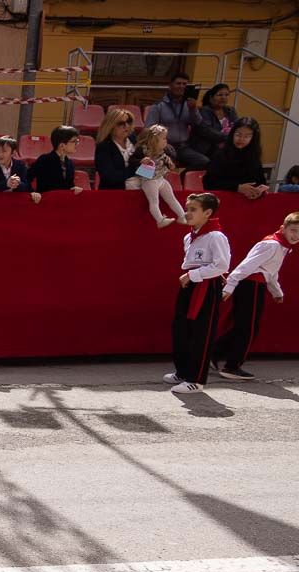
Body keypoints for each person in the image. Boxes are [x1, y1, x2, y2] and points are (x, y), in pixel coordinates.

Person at [213, 212, 299, 380]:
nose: (296, 235)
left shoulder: (282, 245)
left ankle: (213, 353)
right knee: (248, 328)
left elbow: (271, 272)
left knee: (244, 326)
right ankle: (232, 367)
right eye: (294, 230)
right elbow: (245, 266)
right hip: (250, 286)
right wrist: (229, 287)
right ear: (283, 228)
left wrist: (276, 291)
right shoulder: (272, 245)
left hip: (255, 286)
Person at [164, 192, 230, 394]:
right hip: (190, 283)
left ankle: (196, 379)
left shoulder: (215, 236)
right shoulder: (189, 236)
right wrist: (190, 277)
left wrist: (194, 275)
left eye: (193, 209)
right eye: (187, 208)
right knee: (181, 328)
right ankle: (183, 371)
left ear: (208, 213)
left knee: (201, 332)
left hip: (206, 286)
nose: (188, 213)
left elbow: (222, 265)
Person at [126, 124, 186, 229]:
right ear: (154, 140)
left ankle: (182, 216)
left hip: (160, 179)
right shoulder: (143, 150)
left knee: (171, 198)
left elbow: (171, 165)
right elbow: (131, 160)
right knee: (154, 201)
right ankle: (160, 220)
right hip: (148, 180)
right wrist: (141, 161)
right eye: (163, 138)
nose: (166, 141)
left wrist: (171, 165)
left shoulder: (164, 152)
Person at [144, 72, 208, 169]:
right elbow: (149, 129)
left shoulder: (189, 105)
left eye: (184, 84)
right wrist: (162, 144)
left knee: (204, 161)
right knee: (158, 166)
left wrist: (193, 109)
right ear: (170, 85)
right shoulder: (158, 106)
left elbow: (198, 123)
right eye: (178, 83)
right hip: (163, 147)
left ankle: (182, 180)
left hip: (183, 147)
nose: (181, 86)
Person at [202, 117, 269, 200]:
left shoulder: (254, 156)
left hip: (247, 201)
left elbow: (260, 182)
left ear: (253, 138)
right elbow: (209, 183)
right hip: (223, 200)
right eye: (238, 135)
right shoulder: (220, 154)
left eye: (247, 136)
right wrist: (237, 188)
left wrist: (257, 191)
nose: (241, 139)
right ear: (232, 134)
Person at [28, 125, 85, 196]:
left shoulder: (70, 163)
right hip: (45, 201)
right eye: (74, 141)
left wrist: (74, 188)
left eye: (77, 141)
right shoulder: (44, 160)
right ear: (62, 145)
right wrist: (33, 193)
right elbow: (27, 177)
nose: (77, 144)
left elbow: (69, 185)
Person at [190, 83, 238, 161]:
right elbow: (207, 131)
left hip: (227, 145)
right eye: (220, 95)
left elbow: (237, 127)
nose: (223, 97)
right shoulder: (204, 110)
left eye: (226, 95)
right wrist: (228, 137)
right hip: (207, 147)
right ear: (211, 97)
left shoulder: (230, 110)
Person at [93, 107, 139, 190]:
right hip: (115, 192)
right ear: (111, 125)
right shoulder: (103, 147)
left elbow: (147, 168)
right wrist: (136, 170)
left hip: (141, 187)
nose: (126, 126)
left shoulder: (134, 140)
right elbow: (110, 177)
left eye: (128, 122)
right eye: (121, 123)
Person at [0, 135, 36, 200]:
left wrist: (18, 184)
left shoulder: (20, 165)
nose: (0, 155)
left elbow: (27, 186)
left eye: (4, 151)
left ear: (13, 153)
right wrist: (6, 184)